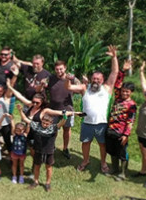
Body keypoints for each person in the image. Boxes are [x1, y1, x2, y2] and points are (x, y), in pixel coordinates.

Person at [66, 45, 119, 174]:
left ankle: (103, 163)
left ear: (102, 80)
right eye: (94, 78)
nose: (95, 81)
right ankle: (85, 160)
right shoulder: (85, 87)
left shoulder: (107, 88)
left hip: (101, 124)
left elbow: (115, 73)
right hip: (87, 123)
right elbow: (69, 88)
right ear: (91, 79)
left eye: (98, 79)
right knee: (85, 143)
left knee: (102, 145)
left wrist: (114, 58)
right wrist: (67, 80)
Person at [19, 105, 68, 192]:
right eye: (43, 123)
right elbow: (26, 119)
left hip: (49, 151)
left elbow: (62, 122)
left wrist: (64, 116)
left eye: (47, 124)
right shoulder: (36, 125)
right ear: (41, 121)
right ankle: (35, 181)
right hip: (38, 150)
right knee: (37, 166)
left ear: (51, 123)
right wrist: (20, 111)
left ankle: (47, 183)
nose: (45, 125)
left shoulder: (53, 127)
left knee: (48, 167)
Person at [106, 60, 137, 180]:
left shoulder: (132, 105)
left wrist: (126, 135)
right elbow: (118, 83)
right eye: (123, 91)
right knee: (112, 152)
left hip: (121, 132)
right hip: (111, 130)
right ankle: (114, 169)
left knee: (122, 154)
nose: (124, 93)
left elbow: (130, 121)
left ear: (131, 93)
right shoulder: (118, 98)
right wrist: (123, 71)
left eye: (127, 92)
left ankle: (123, 173)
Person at [41, 60, 76, 159]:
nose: (59, 71)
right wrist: (43, 83)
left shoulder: (71, 78)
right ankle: (51, 146)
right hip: (54, 110)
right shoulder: (51, 78)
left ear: (65, 68)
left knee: (66, 130)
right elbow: (45, 85)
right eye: (57, 69)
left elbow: (80, 86)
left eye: (61, 69)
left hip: (67, 110)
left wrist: (85, 83)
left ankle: (65, 148)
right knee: (52, 129)